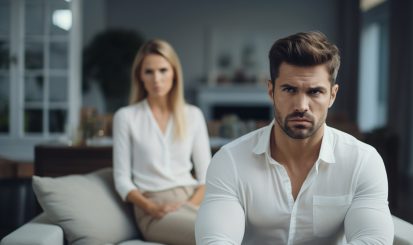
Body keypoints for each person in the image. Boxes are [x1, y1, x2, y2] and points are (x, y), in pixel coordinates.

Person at [195, 31, 394, 244]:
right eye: (289, 89)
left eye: (315, 92)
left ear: (332, 95)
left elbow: (372, 241)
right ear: (271, 91)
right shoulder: (230, 161)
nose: (301, 106)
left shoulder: (362, 161)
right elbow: (216, 241)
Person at [113, 39, 211, 245]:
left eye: (163, 70)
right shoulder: (126, 117)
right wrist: (151, 207)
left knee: (243, 228)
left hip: (192, 201)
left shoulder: (193, 115)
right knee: (212, 236)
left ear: (174, 73)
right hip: (152, 208)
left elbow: (207, 177)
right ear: (140, 76)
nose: (156, 78)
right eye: (149, 71)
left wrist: (188, 206)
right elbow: (122, 180)